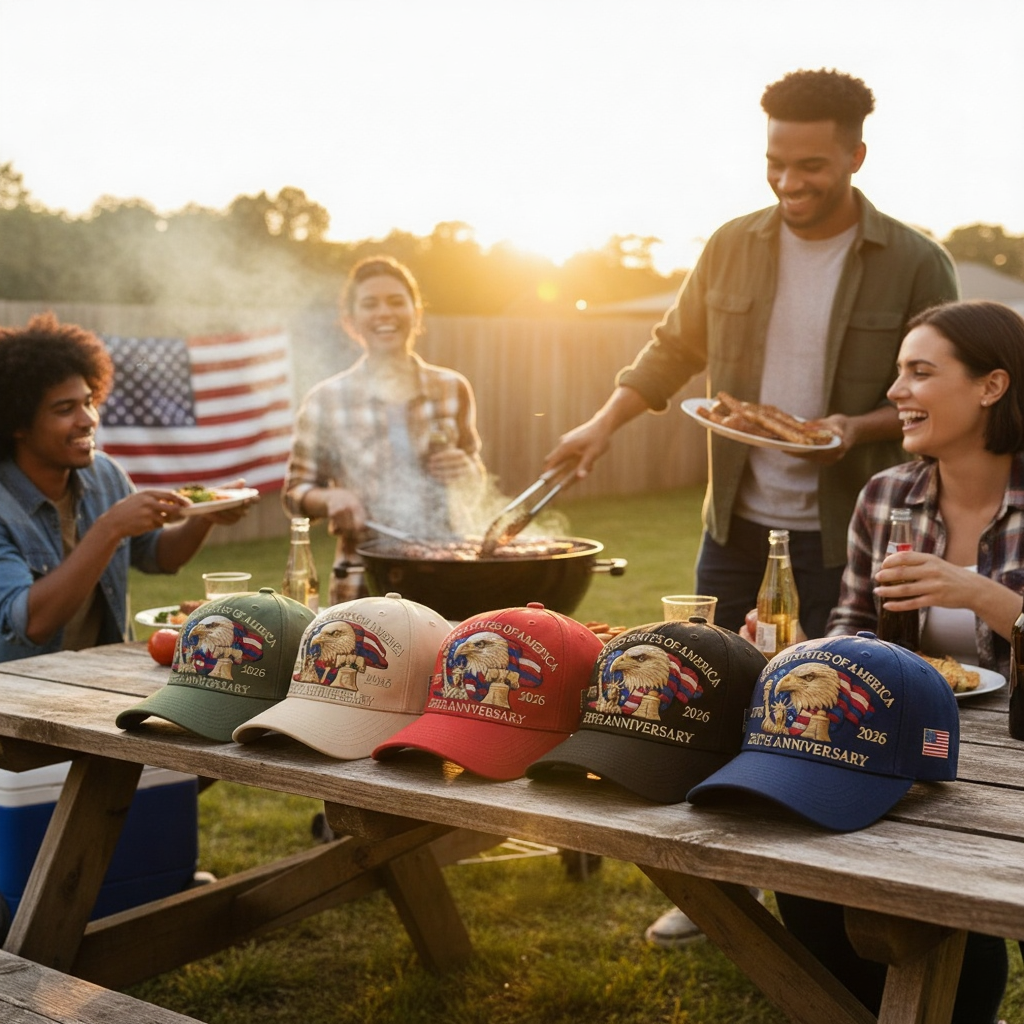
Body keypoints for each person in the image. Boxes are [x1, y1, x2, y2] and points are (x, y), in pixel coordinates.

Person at [545, 68, 960, 949]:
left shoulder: (915, 260)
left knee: (842, 710)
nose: (788, 182)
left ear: (856, 155)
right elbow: (671, 350)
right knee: (707, 697)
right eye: (775, 161)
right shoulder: (732, 244)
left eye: (811, 165)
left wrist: (854, 428)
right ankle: (715, 885)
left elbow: (939, 384)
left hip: (851, 529)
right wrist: (599, 425)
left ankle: (838, 887)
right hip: (736, 522)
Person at [771, 299, 1024, 1023]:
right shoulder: (886, 496)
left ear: (991, 386)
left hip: (1016, 756)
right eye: (898, 371)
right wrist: (805, 651)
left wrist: (982, 595)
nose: (895, 391)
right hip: (913, 748)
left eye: (920, 371)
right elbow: (854, 634)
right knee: (808, 873)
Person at [0, 313, 254, 663]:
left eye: (89, 402)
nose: (88, 419)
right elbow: (31, 624)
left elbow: (158, 555)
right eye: (65, 409)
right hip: (18, 685)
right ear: (17, 424)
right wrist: (110, 528)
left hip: (97, 672)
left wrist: (205, 516)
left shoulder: (104, 474)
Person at [283, 255, 486, 604]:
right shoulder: (325, 400)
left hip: (452, 574)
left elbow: (476, 478)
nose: (384, 313)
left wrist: (466, 470)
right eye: (370, 304)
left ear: (416, 313)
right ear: (351, 321)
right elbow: (294, 493)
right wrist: (331, 498)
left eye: (395, 301)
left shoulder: (452, 389)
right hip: (364, 579)